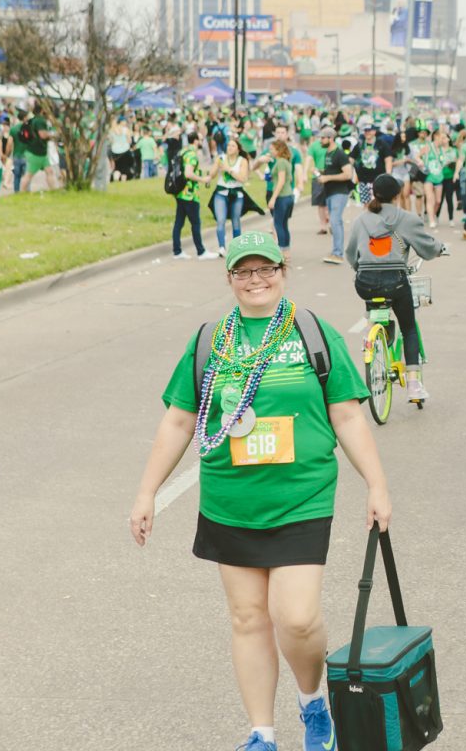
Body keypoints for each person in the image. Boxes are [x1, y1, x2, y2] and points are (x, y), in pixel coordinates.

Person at [130, 231, 388, 751]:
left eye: (265, 269)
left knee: (296, 618)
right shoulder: (210, 340)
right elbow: (179, 420)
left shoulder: (312, 331)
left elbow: (346, 414)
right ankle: (262, 734)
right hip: (231, 499)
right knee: (248, 617)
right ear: (230, 279)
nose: (256, 280)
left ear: (283, 270)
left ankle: (313, 701)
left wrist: (377, 484)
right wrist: (147, 492)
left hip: (301, 496)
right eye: (244, 272)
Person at [344, 174, 447, 402]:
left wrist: (359, 268)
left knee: (374, 308)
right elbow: (427, 249)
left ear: (374, 193)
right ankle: (413, 385)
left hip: (365, 283)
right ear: (398, 193)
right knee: (408, 328)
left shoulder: (362, 220)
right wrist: (440, 249)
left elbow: (351, 254)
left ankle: (374, 338)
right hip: (396, 281)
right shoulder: (407, 219)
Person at [314, 128, 355, 265]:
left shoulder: (340, 154)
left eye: (323, 138)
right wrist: (322, 173)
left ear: (331, 138)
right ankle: (335, 251)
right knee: (334, 221)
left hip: (340, 192)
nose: (321, 140)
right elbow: (333, 170)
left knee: (335, 221)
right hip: (330, 192)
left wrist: (327, 177)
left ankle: (338, 254)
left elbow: (348, 174)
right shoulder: (328, 153)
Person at [172, 141, 219, 261]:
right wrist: (203, 179)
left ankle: (177, 251)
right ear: (196, 141)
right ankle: (201, 251)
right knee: (196, 223)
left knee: (179, 222)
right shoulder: (192, 155)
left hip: (180, 192)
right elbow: (188, 174)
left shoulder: (183, 152)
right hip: (190, 194)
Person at [211, 138, 252, 255]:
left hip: (236, 193)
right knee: (220, 220)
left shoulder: (242, 161)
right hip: (221, 192)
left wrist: (228, 170)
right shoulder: (221, 158)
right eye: (228, 145)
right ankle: (221, 247)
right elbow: (212, 175)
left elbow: (243, 179)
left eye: (233, 146)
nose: (229, 147)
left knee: (236, 220)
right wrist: (216, 165)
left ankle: (236, 247)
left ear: (238, 149)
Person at [265, 135, 299, 258]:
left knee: (278, 223)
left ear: (278, 150)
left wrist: (273, 198)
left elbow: (281, 180)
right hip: (289, 195)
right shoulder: (286, 162)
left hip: (282, 197)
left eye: (272, 149)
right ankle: (286, 250)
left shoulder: (280, 162)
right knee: (284, 224)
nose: (270, 151)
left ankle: (281, 250)